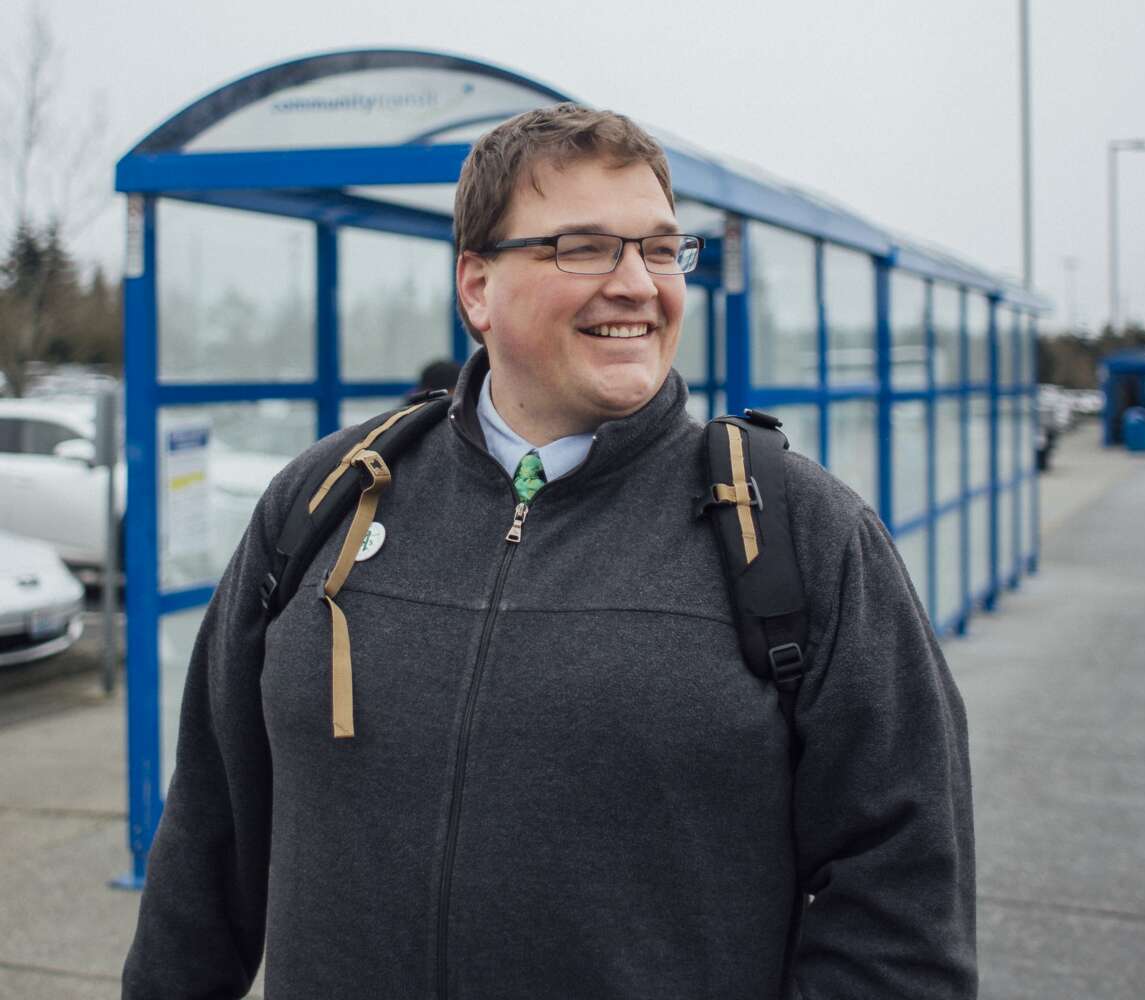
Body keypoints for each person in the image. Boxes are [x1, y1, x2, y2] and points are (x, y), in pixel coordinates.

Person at [123, 103, 975, 999]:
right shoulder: (322, 500)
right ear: (477, 288)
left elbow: (903, 912)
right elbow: (207, 845)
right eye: (584, 247)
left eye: (657, 248)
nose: (638, 284)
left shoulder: (800, 531)